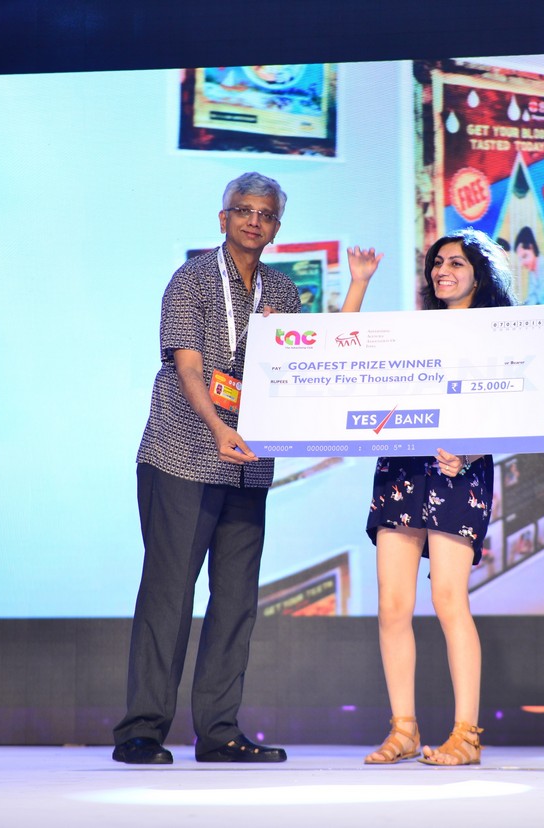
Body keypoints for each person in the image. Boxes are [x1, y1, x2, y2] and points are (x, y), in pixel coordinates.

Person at [112, 172, 376, 765]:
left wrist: (347, 294)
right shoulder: (192, 278)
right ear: (223, 217)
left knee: (235, 601)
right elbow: (187, 367)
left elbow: (317, 359)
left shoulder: (281, 291)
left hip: (248, 465)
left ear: (277, 228)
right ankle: (141, 731)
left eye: (266, 214)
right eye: (243, 210)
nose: (254, 220)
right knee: (169, 595)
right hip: (184, 452)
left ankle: (219, 732)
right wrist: (217, 427)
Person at [358, 228, 515, 767]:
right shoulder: (415, 331)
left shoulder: (499, 334)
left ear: (479, 273)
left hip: (459, 471)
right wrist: (359, 284)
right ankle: (403, 730)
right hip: (402, 466)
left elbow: (512, 408)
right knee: (392, 604)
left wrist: (469, 453)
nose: (442, 271)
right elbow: (340, 356)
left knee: (449, 599)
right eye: (437, 263)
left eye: (456, 263)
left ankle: (466, 736)